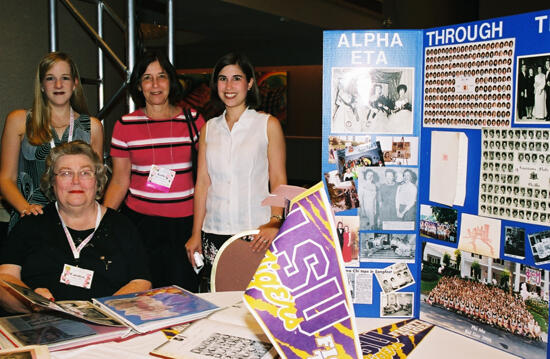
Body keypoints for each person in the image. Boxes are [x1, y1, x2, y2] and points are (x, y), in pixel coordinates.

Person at [0, 141, 151, 313]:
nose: (76, 181)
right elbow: (5, 277)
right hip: (41, 327)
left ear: (98, 181)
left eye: (85, 173)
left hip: (108, 327)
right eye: (65, 173)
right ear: (52, 182)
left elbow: (141, 282)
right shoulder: (31, 223)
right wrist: (29, 301)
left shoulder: (122, 226)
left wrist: (103, 312)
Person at [104, 51, 205, 292]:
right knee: (142, 296)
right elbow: (119, 180)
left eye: (162, 76)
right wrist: (102, 223)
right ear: (139, 86)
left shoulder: (194, 121)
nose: (155, 84)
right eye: (147, 78)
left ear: (171, 81)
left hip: (183, 225)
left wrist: (198, 230)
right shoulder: (125, 125)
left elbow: (206, 178)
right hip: (140, 224)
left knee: (182, 294)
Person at [184, 52, 286, 287]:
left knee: (255, 305)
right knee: (217, 302)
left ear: (250, 83)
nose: (229, 86)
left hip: (256, 232)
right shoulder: (209, 128)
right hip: (213, 231)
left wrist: (275, 221)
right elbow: (202, 183)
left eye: (236, 78)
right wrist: (195, 232)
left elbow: (278, 179)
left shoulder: (267, 124)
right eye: (222, 79)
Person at [0, 52, 103, 231]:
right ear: (41, 85)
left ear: (75, 83)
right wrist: (25, 208)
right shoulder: (19, 121)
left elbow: (97, 181)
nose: (58, 85)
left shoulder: (92, 127)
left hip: (76, 222)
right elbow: (5, 178)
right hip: (30, 218)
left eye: (65, 78)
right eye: (50, 78)